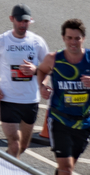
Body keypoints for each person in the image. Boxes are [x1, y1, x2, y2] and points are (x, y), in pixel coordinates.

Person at [0, 4, 50, 157]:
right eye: (19, 21)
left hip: (30, 100)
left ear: (30, 21)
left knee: (23, 146)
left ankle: (4, 164)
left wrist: (38, 75)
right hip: (8, 99)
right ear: (12, 19)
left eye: (26, 22)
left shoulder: (37, 42)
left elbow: (48, 69)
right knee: (14, 144)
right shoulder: (1, 40)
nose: (22, 25)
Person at [36, 18, 90, 175]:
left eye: (77, 38)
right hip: (59, 119)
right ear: (63, 38)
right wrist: (42, 85)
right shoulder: (54, 58)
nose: (73, 42)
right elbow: (41, 70)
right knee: (66, 168)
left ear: (83, 38)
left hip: (84, 122)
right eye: (69, 38)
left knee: (68, 167)